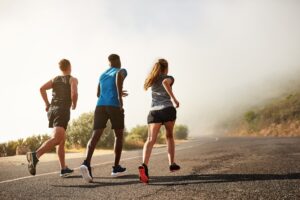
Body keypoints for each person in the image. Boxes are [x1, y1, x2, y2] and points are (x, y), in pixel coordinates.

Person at [26, 59, 78, 177]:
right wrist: (74, 104)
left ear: (60, 68)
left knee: (61, 140)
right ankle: (35, 155)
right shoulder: (72, 79)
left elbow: (42, 88)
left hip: (52, 110)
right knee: (57, 138)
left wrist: (47, 104)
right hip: (62, 110)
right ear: (70, 66)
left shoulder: (55, 79)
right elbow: (74, 94)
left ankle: (63, 168)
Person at [80, 54, 128, 183]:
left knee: (95, 136)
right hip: (114, 105)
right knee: (118, 135)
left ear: (109, 63)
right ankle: (116, 167)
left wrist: (114, 91)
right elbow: (118, 77)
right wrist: (120, 99)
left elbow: (98, 94)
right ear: (118, 61)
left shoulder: (102, 74)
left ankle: (86, 163)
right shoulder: (121, 70)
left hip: (100, 105)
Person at [138, 58, 180, 184]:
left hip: (154, 112)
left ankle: (144, 166)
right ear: (166, 68)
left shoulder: (152, 79)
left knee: (150, 140)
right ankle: (171, 163)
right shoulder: (169, 77)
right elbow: (165, 83)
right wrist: (174, 99)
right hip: (167, 109)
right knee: (169, 136)